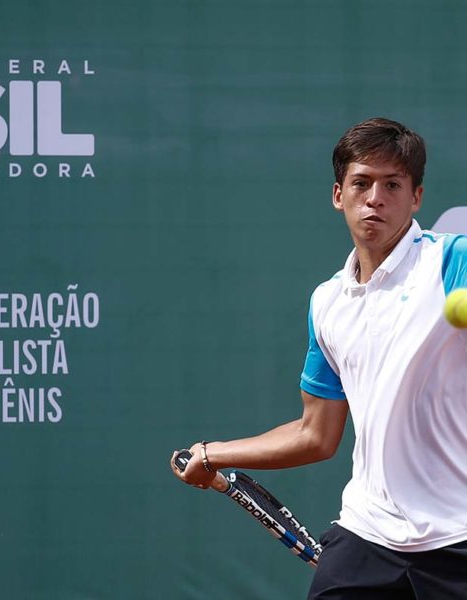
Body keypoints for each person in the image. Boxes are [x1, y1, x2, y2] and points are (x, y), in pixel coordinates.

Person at [170, 117, 467, 599]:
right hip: (368, 534)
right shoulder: (328, 302)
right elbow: (316, 434)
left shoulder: (452, 261)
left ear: (416, 198)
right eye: (362, 183)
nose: (375, 198)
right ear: (338, 195)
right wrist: (212, 453)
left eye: (393, 185)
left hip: (459, 535)